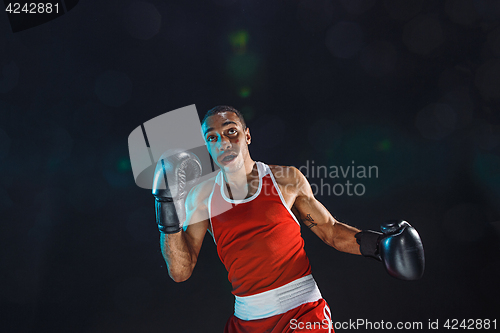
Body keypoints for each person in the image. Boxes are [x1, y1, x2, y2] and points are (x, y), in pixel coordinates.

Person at [152, 106, 424, 332]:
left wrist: (379, 245)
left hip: (302, 312)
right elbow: (180, 271)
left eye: (231, 131)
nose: (223, 142)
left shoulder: (285, 180)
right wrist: (166, 206)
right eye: (212, 137)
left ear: (247, 136)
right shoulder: (202, 196)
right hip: (246, 321)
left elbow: (330, 230)